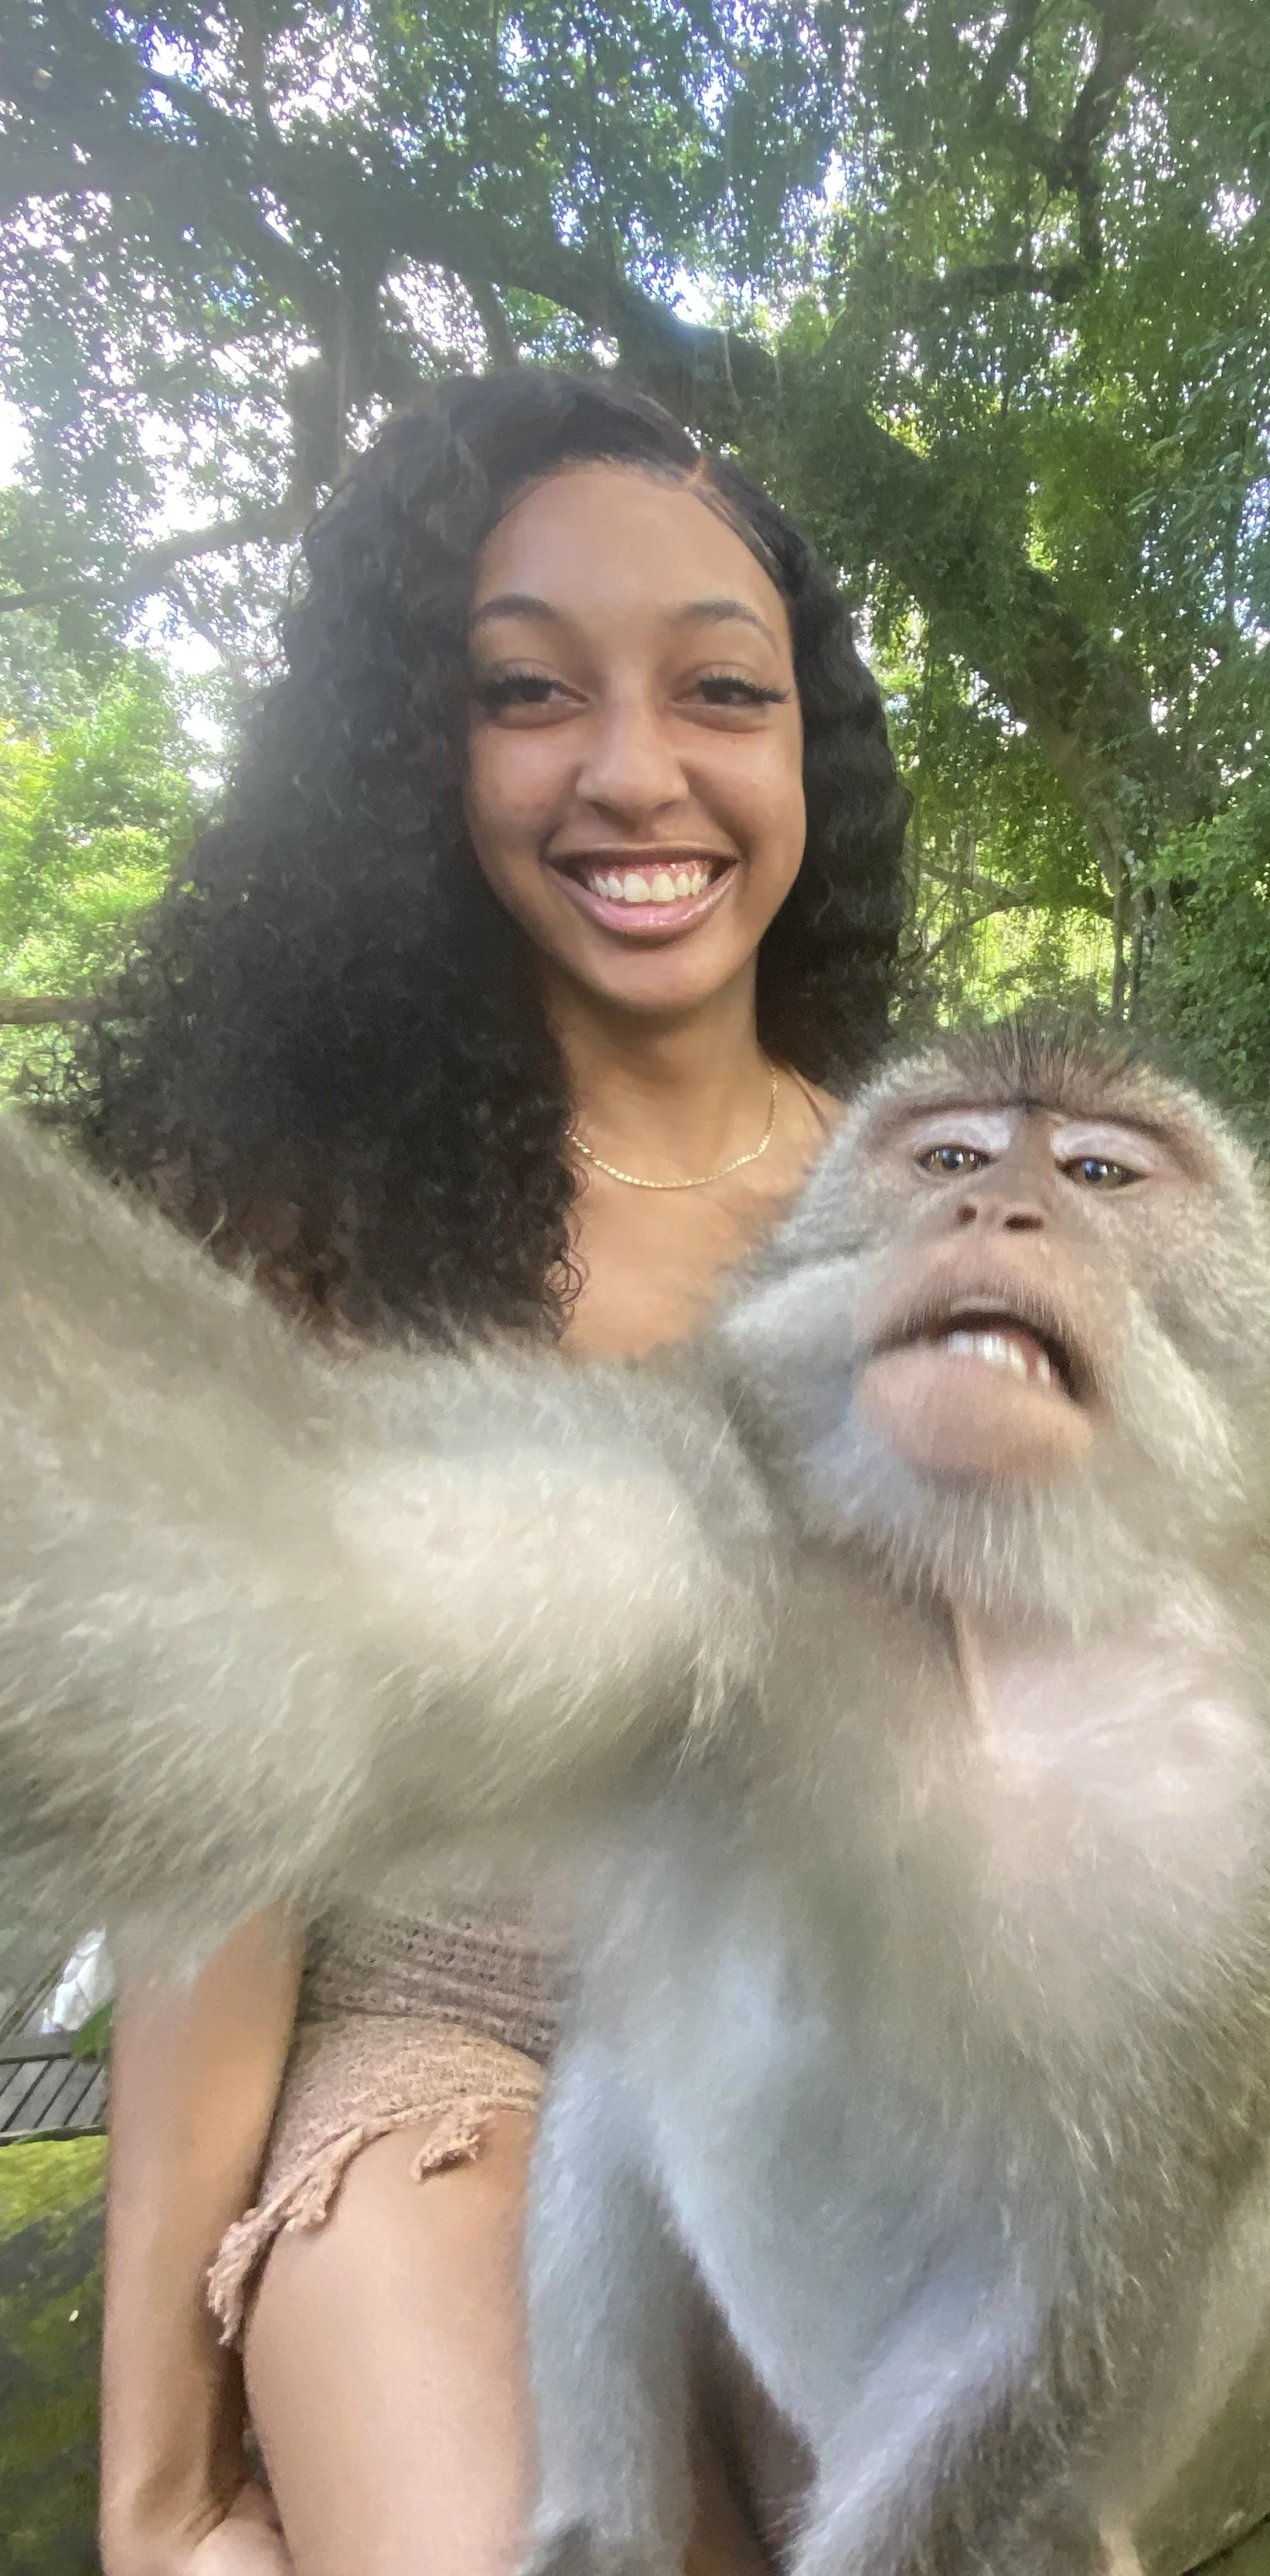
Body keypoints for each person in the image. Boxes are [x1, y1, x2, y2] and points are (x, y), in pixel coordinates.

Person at [38, 370, 907, 2576]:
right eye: (530, 690)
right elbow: (211, 1869)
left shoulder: (939, 1213)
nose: (635, 769)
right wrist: (155, 2491)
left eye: (719, 686)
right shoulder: (304, 1227)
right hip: (448, 2066)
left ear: (805, 744)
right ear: (424, 754)